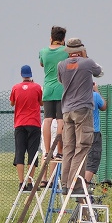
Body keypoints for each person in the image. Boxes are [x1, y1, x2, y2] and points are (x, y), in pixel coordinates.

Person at [57, 38, 104, 193]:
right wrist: (85, 57)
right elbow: (100, 72)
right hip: (82, 109)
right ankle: (75, 184)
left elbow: (60, 80)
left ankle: (64, 184)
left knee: (69, 147)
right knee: (82, 147)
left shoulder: (61, 65)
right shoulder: (87, 62)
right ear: (82, 49)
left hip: (67, 110)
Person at [9, 65, 43, 191]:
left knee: (20, 152)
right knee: (32, 153)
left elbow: (12, 103)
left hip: (19, 123)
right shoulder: (37, 87)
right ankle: (30, 182)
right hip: (34, 123)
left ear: (21, 74)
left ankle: (21, 182)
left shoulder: (16, 88)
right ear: (31, 74)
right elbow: (41, 102)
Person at [39, 26, 69, 159]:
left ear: (51, 37)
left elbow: (42, 64)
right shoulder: (66, 51)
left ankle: (47, 151)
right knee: (60, 120)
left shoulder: (43, 51)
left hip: (47, 89)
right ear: (63, 39)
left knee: (47, 119)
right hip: (61, 89)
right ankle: (60, 150)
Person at [84, 83, 108, 185]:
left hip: (79, 132)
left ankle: (78, 185)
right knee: (93, 159)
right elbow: (103, 106)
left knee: (81, 160)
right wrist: (96, 90)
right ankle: (84, 185)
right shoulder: (94, 95)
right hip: (93, 132)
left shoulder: (75, 95)